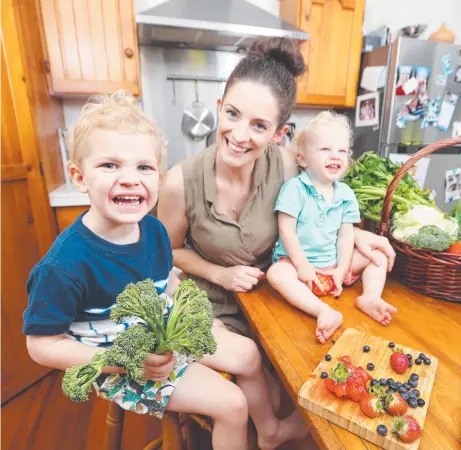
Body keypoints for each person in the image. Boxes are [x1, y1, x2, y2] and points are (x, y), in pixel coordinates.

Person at [158, 37, 396, 447]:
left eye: (259, 125)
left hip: (269, 294)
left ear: (279, 133)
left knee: (321, 360)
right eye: (232, 114)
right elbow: (167, 254)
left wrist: (357, 234)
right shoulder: (180, 181)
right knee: (262, 375)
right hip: (211, 298)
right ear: (219, 107)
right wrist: (221, 272)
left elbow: (314, 211)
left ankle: (279, 429)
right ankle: (267, 430)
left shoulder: (286, 164)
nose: (239, 134)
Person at [23, 91, 255, 450]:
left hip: (160, 332)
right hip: (116, 359)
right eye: (110, 165)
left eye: (143, 167)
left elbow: (169, 283)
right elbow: (41, 345)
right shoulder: (63, 266)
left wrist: (196, 315)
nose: (131, 179)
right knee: (232, 404)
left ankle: (269, 431)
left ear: (159, 178)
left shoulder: (155, 231)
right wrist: (120, 360)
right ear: (79, 177)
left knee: (250, 355)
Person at [266, 111, 397, 344]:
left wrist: (342, 269)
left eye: (341, 151)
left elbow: (346, 235)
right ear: (303, 158)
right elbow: (286, 230)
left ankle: (370, 297)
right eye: (325, 149)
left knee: (377, 255)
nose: (335, 156)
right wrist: (303, 265)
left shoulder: (346, 194)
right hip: (300, 270)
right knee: (276, 273)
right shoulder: (295, 188)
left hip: (334, 268)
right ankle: (322, 310)